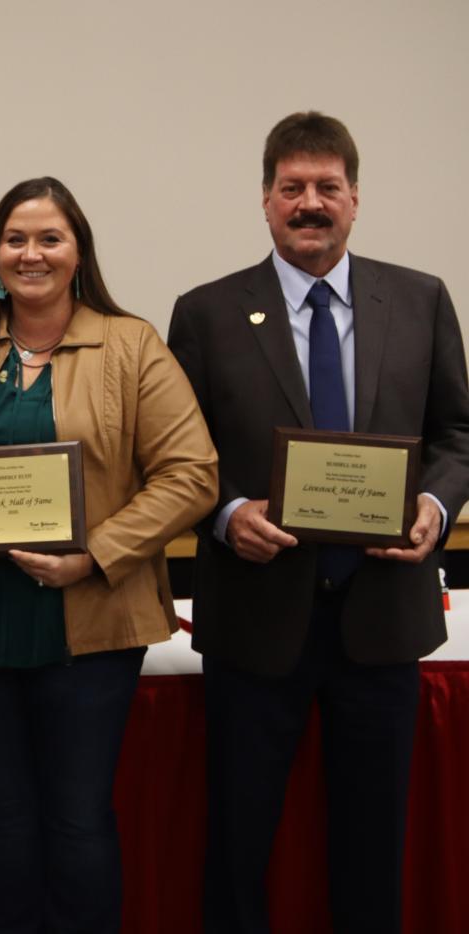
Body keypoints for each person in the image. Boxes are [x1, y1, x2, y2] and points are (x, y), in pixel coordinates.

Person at [0, 177, 218, 933]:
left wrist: (94, 554)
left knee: (76, 817)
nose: (31, 254)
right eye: (15, 239)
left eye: (49, 238)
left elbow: (191, 473)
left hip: (90, 620)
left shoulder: (131, 346)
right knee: (1, 815)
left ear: (78, 253)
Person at [168, 111, 469, 934]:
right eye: (292, 187)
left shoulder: (420, 300)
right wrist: (229, 513)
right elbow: (178, 452)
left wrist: (435, 507)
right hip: (255, 618)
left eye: (327, 187)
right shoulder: (206, 313)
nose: (310, 203)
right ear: (266, 200)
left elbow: (456, 434)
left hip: (383, 615)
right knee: (239, 844)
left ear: (355, 199)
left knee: (373, 848)